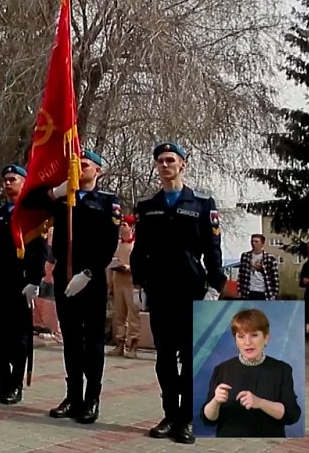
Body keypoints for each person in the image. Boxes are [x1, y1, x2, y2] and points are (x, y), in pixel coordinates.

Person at [131, 142, 226, 444]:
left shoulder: (201, 204)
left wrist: (215, 286)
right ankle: (170, 414)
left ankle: (186, 419)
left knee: (190, 357)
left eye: (170, 160)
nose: (164, 165)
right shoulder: (148, 206)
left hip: (191, 291)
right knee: (164, 359)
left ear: (183, 164)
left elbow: (212, 250)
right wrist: (138, 285)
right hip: (159, 290)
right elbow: (140, 250)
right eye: (159, 161)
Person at [22, 149, 120, 424]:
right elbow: (28, 201)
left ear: (98, 171)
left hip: (91, 279)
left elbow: (109, 244)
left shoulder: (107, 202)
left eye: (85, 164)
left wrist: (88, 272)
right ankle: (73, 396)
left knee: (93, 343)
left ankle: (92, 399)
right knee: (72, 341)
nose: (79, 168)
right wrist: (58, 191)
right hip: (66, 278)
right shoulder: (63, 199)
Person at [0, 165, 48, 404]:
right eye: (5, 180)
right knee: (0, 335)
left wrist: (34, 280)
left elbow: (39, 250)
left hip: (20, 283)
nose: (7, 184)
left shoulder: (32, 213)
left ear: (23, 182)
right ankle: (3, 380)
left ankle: (16, 384)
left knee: (19, 336)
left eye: (13, 179)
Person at [200, 308, 302, 437]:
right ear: (236, 341)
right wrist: (215, 401)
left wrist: (260, 403)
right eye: (241, 336)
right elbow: (208, 420)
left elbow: (292, 415)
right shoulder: (222, 369)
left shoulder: (282, 370)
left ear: (266, 338)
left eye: (254, 335)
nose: (247, 342)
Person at [108, 215, 140, 358]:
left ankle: (133, 345)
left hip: (131, 283)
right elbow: (110, 264)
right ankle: (119, 344)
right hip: (118, 282)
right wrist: (110, 283)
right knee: (119, 315)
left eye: (125, 224)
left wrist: (129, 268)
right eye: (121, 224)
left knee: (133, 316)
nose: (122, 227)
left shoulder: (136, 245)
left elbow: (142, 265)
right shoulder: (116, 244)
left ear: (132, 228)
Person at [237, 234, 279, 300]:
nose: (253, 243)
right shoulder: (245, 256)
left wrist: (274, 294)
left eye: (256, 242)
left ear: (262, 244)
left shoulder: (270, 258)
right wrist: (239, 290)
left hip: (264, 291)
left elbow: (274, 278)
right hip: (248, 290)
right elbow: (241, 274)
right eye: (252, 241)